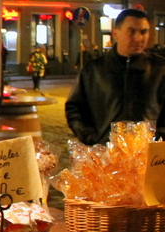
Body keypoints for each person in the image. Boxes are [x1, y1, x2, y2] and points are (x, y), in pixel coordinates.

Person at [65, 8, 165, 145]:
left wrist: (159, 140)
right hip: (106, 155)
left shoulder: (159, 69)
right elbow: (75, 108)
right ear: (116, 34)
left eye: (143, 32)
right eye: (131, 31)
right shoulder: (94, 70)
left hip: (147, 155)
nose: (138, 38)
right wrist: (90, 137)